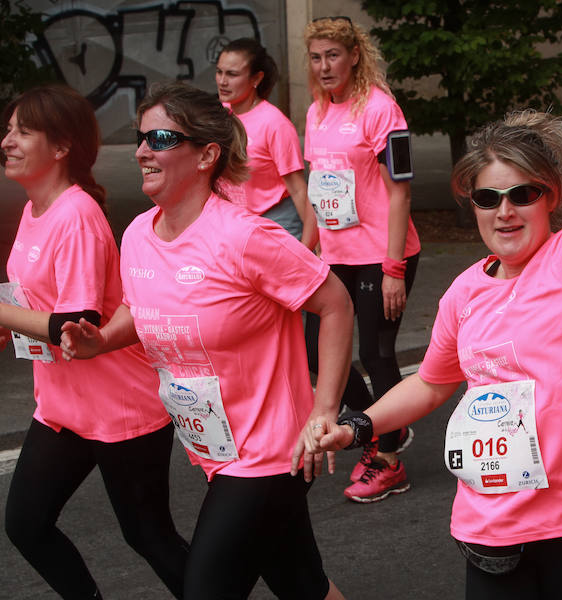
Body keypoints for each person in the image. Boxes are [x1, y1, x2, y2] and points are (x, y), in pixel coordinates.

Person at [313, 14, 562, 599]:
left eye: (521, 195)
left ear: (549, 197)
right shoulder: (465, 289)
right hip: (492, 522)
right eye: (487, 198)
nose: (504, 211)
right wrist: (357, 426)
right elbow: (431, 385)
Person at [60, 81, 352, 599]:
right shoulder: (138, 235)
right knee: (301, 584)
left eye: (162, 139)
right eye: (141, 137)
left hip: (271, 453)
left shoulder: (245, 237)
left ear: (206, 155)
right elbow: (143, 305)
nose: (143, 150)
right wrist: (100, 341)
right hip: (215, 448)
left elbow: (334, 302)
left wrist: (324, 410)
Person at [0, 84, 188, 598]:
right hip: (63, 407)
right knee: (26, 523)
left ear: (61, 148)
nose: (8, 140)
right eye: (9, 130)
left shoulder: (76, 213)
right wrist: (9, 323)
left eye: (24, 131)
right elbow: (36, 303)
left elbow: (73, 323)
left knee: (150, 537)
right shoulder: (36, 210)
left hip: (120, 409)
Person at [303, 16, 419, 503]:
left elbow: (400, 194)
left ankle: (389, 461)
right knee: (314, 347)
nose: (324, 66)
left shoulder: (381, 110)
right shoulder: (315, 112)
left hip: (381, 255)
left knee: (376, 354)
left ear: (353, 56)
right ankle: (381, 424)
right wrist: (302, 252)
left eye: (333, 55)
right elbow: (317, 192)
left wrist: (393, 269)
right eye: (315, 57)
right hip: (336, 256)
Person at [215, 37, 318, 249]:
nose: (222, 81)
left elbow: (299, 190)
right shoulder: (219, 114)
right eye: (219, 72)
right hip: (234, 225)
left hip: (276, 225)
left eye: (232, 74)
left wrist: (309, 248)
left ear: (256, 79)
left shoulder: (275, 124)